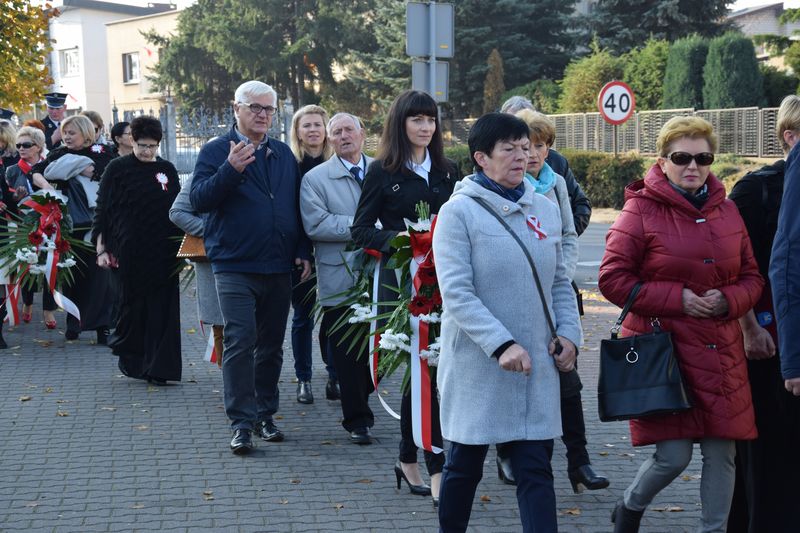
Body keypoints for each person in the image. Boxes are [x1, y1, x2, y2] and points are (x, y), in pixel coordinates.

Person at [599, 116, 763, 533]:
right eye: (682, 157)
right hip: (664, 353)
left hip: (721, 350)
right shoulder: (640, 209)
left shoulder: (727, 210)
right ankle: (631, 506)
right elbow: (612, 278)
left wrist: (728, 300)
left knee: (722, 454)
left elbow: (752, 276)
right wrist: (680, 299)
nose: (693, 166)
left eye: (703, 157)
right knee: (673, 457)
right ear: (663, 160)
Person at [433, 112, 581, 532]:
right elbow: (457, 294)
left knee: (536, 470)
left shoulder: (546, 208)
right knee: (463, 468)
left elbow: (558, 283)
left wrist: (569, 335)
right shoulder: (459, 213)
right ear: (481, 157)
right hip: (478, 366)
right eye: (509, 149)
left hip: (534, 363)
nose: (523, 156)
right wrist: (500, 344)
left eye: (526, 147)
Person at [190, 80, 312, 455]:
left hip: (278, 265)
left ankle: (264, 414)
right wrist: (230, 169)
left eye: (269, 109)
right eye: (255, 108)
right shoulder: (215, 151)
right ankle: (241, 422)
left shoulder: (282, 154)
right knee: (241, 341)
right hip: (234, 264)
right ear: (236, 109)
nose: (262, 115)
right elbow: (198, 201)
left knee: (272, 346)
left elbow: (296, 206)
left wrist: (303, 249)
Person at [351, 90, 461, 504]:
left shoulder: (450, 171)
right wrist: (401, 240)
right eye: (417, 120)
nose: (425, 127)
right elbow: (360, 230)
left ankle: (406, 458)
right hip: (405, 284)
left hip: (447, 282)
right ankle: (436, 466)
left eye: (431, 120)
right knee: (423, 369)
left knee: (430, 372)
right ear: (401, 124)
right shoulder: (382, 171)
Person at [492, 108, 608, 493]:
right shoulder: (499, 185)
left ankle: (580, 460)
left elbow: (569, 232)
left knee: (567, 377)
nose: (533, 153)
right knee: (516, 375)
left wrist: (563, 272)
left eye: (540, 146)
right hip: (514, 296)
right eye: (526, 146)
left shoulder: (555, 182)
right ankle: (508, 453)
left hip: (555, 288)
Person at [725, 95, 800, 533]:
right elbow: (732, 267)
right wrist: (749, 327)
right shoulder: (757, 189)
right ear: (790, 136)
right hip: (765, 340)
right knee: (765, 450)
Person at [300, 112, 374, 444]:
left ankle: (363, 394)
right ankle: (357, 420)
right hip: (339, 277)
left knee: (380, 348)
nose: (343, 136)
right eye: (337, 132)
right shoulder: (315, 179)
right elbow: (317, 225)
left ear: (362, 133)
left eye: (349, 130)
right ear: (330, 140)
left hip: (381, 275)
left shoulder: (383, 171)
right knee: (346, 353)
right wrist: (362, 228)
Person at [92, 116, 182, 384]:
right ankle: (136, 361)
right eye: (143, 145)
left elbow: (179, 208)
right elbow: (102, 210)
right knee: (133, 309)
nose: (147, 151)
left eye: (153, 146)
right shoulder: (117, 168)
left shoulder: (167, 169)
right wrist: (101, 249)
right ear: (132, 141)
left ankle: (160, 369)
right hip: (127, 252)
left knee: (162, 312)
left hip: (164, 253)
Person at [30, 115, 115, 343]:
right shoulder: (59, 152)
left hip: (96, 222)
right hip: (68, 223)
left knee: (99, 278)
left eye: (72, 133)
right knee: (72, 275)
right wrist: (48, 184)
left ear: (86, 134)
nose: (66, 136)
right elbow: (38, 171)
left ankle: (102, 327)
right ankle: (74, 322)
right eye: (65, 132)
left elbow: (101, 172)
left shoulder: (102, 151)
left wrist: (68, 168)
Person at [288, 104, 338, 404]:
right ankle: (303, 379)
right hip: (301, 255)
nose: (313, 130)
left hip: (335, 252)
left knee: (333, 316)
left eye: (318, 124)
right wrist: (300, 251)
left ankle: (335, 375)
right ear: (298, 131)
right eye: (307, 125)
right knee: (303, 318)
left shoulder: (338, 164)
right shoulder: (290, 166)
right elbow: (291, 215)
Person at [500, 95, 592, 235]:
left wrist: (558, 239)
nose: (532, 154)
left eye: (539, 146)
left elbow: (581, 205)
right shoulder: (497, 170)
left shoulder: (558, 166)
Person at [4, 126, 58, 328]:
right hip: (22, 224)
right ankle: (26, 303)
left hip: (49, 222)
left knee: (52, 265)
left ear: (38, 146)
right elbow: (6, 198)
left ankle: (48, 310)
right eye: (18, 145)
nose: (21, 148)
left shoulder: (49, 167)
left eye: (26, 145)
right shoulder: (12, 170)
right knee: (26, 265)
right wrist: (14, 198)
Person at [169, 173, 225, 368]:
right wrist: (213, 231)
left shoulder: (263, 168)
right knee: (222, 325)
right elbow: (178, 212)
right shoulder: (203, 173)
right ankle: (234, 387)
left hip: (258, 259)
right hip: (215, 261)